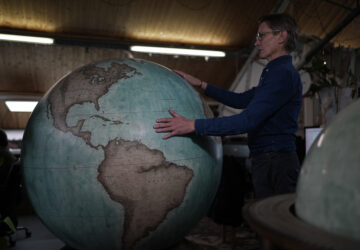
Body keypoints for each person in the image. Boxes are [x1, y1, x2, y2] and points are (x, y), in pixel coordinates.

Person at [153, 13, 302, 199]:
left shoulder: (281, 74)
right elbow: (239, 100)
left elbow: (247, 121)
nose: (257, 43)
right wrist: (201, 84)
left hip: (275, 161)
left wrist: (193, 125)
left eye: (262, 35)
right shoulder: (275, 71)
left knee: (277, 224)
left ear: (282, 36)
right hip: (270, 158)